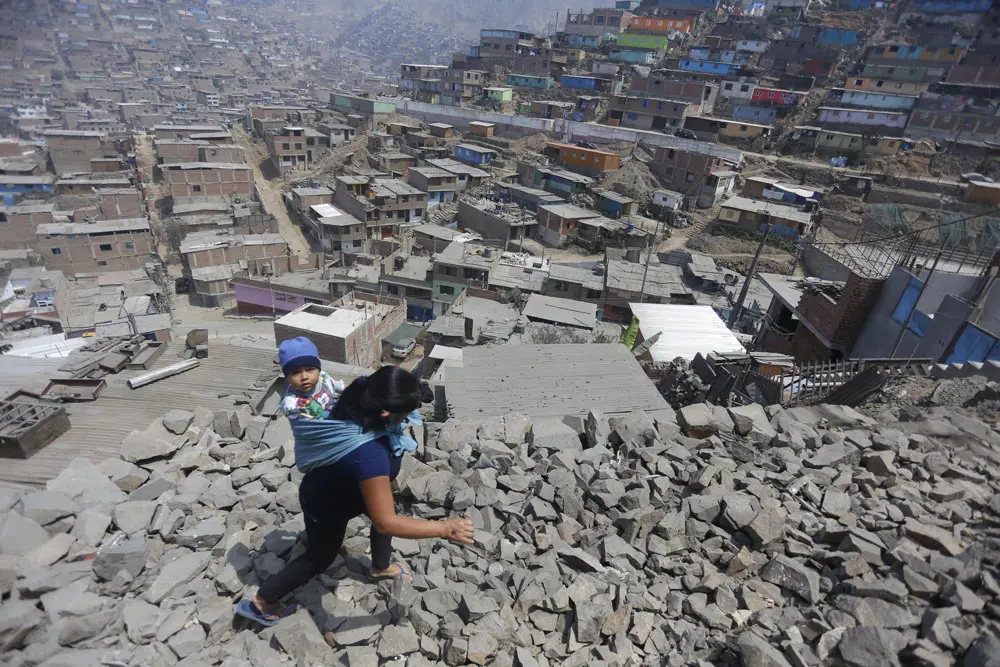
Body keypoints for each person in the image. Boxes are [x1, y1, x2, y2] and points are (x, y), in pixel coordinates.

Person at [235, 360, 475, 626]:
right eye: (402, 416)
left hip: (352, 489)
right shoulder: (368, 454)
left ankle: (380, 566)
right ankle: (261, 602)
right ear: (386, 414)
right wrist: (444, 528)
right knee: (320, 557)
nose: (405, 420)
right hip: (326, 504)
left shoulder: (363, 390)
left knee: (385, 512)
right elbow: (385, 522)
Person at [278, 337, 345, 420]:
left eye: (309, 370)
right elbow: (311, 427)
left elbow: (340, 387)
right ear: (288, 378)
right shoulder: (292, 404)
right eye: (296, 372)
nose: (304, 377)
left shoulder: (323, 378)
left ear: (318, 370)